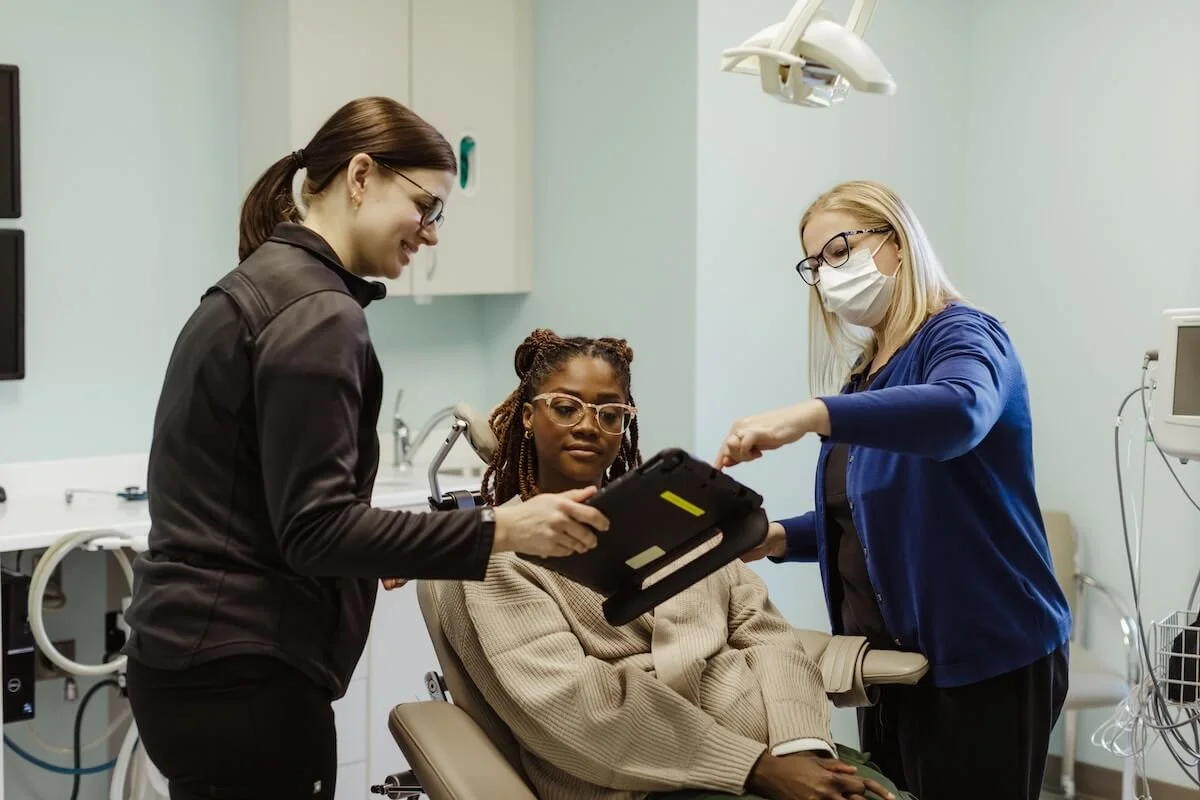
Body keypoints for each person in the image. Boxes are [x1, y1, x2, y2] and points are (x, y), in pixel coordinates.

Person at [120, 98, 608, 800]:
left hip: (190, 666)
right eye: (427, 206)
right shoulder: (319, 314)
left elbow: (272, 505)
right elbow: (315, 531)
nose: (432, 234)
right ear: (359, 175)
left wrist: (382, 549)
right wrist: (504, 528)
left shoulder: (253, 287)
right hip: (247, 678)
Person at [439, 328, 911, 800]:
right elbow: (571, 708)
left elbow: (768, 634)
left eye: (609, 414)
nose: (588, 426)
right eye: (565, 408)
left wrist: (801, 745)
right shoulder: (501, 557)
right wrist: (754, 769)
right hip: (642, 782)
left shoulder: (676, 515)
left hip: (779, 755)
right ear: (527, 417)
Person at [714, 180, 1071, 800]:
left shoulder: (961, 336)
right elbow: (863, 515)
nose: (828, 275)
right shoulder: (866, 378)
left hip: (986, 656)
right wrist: (772, 538)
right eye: (815, 263)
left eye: (840, 250)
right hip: (889, 665)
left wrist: (808, 415)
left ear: (898, 243)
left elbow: (959, 413)